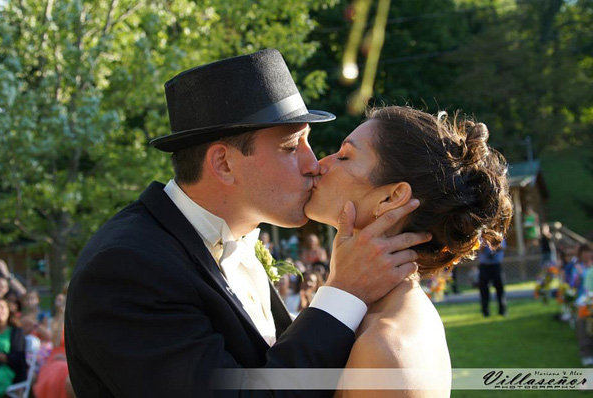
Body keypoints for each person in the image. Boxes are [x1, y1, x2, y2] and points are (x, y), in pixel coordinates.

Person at [65, 49, 430, 396]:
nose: (314, 164)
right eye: (291, 147)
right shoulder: (127, 269)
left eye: (309, 143)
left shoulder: (237, 240)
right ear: (223, 163)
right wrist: (343, 294)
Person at [305, 105, 512, 396]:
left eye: (344, 156)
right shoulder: (375, 314)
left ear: (391, 197)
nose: (319, 165)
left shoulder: (384, 348)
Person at [0, 298, 27, 396]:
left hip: (9, 371)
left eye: (2, 307)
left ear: (9, 311)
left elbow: (17, 359)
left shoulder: (16, 332)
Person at [478, 239, 508, 317]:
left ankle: (502, 311)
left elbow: (503, 248)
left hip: (496, 265)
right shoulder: (482, 238)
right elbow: (480, 250)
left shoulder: (499, 237)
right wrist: (486, 242)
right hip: (484, 266)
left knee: (500, 289)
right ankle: (485, 312)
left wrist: (494, 243)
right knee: (484, 290)